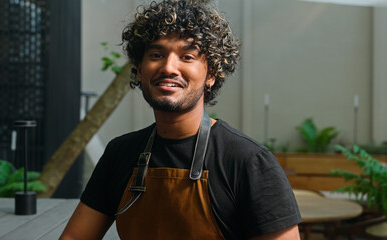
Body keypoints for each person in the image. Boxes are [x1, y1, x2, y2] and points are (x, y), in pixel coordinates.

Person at [60, 0, 302, 239]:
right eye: (156, 54)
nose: (168, 67)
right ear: (140, 69)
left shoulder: (247, 161)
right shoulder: (120, 153)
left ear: (212, 75)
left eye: (187, 56)